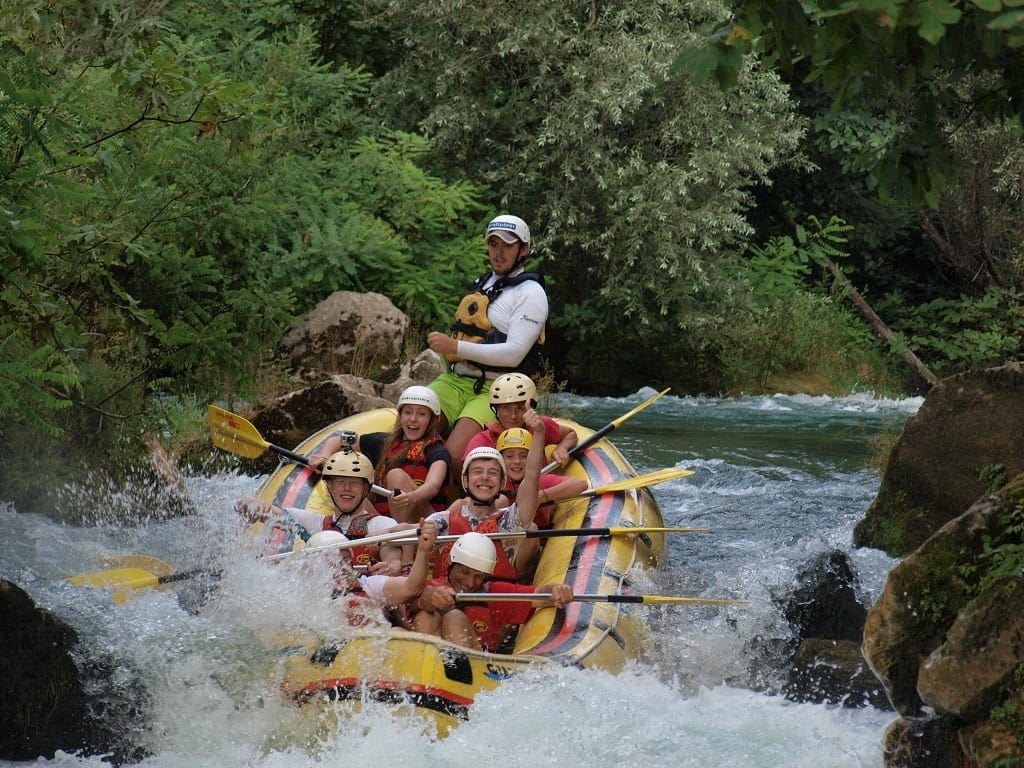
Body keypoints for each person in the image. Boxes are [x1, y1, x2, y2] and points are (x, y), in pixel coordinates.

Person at [426, 214, 548, 480]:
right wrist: (452, 352)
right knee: (408, 428)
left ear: (523, 249)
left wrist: (455, 346)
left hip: (495, 390)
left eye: (506, 245)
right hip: (454, 381)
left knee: (455, 456)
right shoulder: (485, 284)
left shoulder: (531, 293)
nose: (499, 252)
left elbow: (514, 354)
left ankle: (458, 514)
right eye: (493, 245)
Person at [422, 409, 548, 581]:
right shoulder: (442, 521)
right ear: (465, 481)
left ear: (502, 482)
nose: (485, 477)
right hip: (446, 601)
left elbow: (532, 475)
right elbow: (408, 533)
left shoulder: (510, 522)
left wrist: (539, 432)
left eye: (493, 473)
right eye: (477, 471)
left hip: (491, 601)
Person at [235, 450, 403, 574]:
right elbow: (266, 513)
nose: (347, 488)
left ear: (366, 489)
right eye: (340, 481)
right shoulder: (313, 523)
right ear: (329, 486)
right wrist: (251, 503)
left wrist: (391, 568)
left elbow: (394, 561)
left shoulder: (383, 525)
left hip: (362, 602)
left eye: (354, 483)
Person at [309, 386, 451, 524]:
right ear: (400, 416)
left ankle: (402, 539)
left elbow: (433, 485)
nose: (413, 419)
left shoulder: (436, 450)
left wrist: (411, 498)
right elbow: (338, 440)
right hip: (384, 521)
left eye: (421, 414)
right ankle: (372, 537)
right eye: (408, 412)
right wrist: (324, 457)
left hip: (421, 521)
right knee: (354, 495)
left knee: (395, 475)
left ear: (432, 420)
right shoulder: (383, 442)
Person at [411, 531, 574, 652]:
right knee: (426, 616)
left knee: (454, 617)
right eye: (464, 572)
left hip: (478, 669)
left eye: (478, 576)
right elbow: (413, 604)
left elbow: (540, 596)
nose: (470, 583)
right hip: (431, 662)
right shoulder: (432, 587)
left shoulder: (494, 593)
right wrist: (427, 600)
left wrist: (556, 589)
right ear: (451, 565)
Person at [304, 520, 437, 628]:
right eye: (331, 562)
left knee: (396, 630)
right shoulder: (305, 598)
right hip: (327, 653)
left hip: (368, 648)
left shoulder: (368, 585)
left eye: (344, 560)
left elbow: (412, 587)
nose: (341, 566)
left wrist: (422, 551)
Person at [463, 372, 577, 469]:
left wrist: (561, 449)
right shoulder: (483, 441)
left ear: (530, 407)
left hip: (540, 488)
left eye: (520, 408)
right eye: (506, 408)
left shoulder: (539, 427)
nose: (513, 416)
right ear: (497, 409)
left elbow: (571, 434)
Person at [495, 427, 587, 530]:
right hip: (499, 537)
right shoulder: (494, 481)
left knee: (531, 527)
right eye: (510, 456)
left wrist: (542, 496)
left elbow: (580, 484)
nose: (517, 461)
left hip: (534, 538)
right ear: (500, 460)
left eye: (524, 456)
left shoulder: (539, 481)